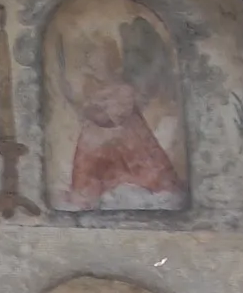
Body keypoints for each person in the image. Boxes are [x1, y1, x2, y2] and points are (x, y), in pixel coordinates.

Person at [65, 11, 185, 211]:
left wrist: (93, 113)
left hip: (129, 146)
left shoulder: (124, 89)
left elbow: (116, 118)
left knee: (139, 173)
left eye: (96, 59)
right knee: (89, 149)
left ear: (108, 60)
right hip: (99, 145)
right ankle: (86, 194)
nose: (91, 64)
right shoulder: (94, 90)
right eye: (90, 60)